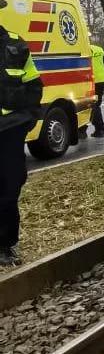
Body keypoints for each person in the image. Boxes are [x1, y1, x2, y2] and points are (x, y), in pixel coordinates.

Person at [1, 25, 43, 266]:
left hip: (10, 128)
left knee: (10, 185)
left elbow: (34, 83)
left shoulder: (16, 44)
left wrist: (28, 117)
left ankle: (4, 244)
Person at [88, 39, 104, 138]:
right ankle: (82, 130)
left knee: (92, 105)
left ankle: (99, 129)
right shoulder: (99, 49)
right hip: (101, 80)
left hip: (91, 81)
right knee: (96, 104)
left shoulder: (85, 50)